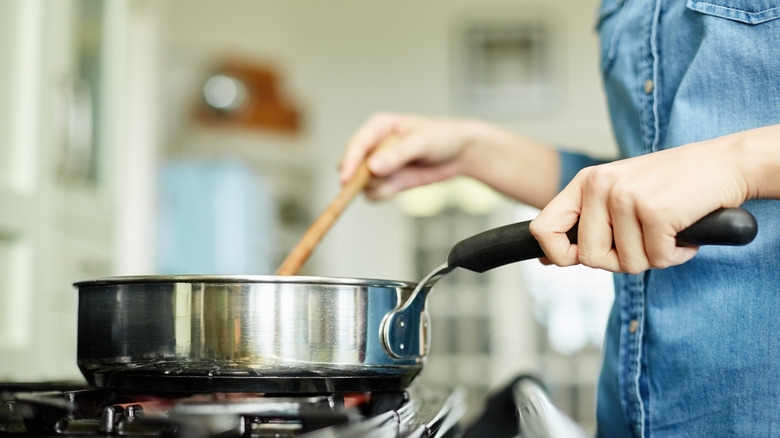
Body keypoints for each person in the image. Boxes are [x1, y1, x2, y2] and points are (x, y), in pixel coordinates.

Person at [338, 1, 780, 436]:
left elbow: (698, 175)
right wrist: (468, 150)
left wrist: (738, 164)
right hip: (634, 408)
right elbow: (630, 192)